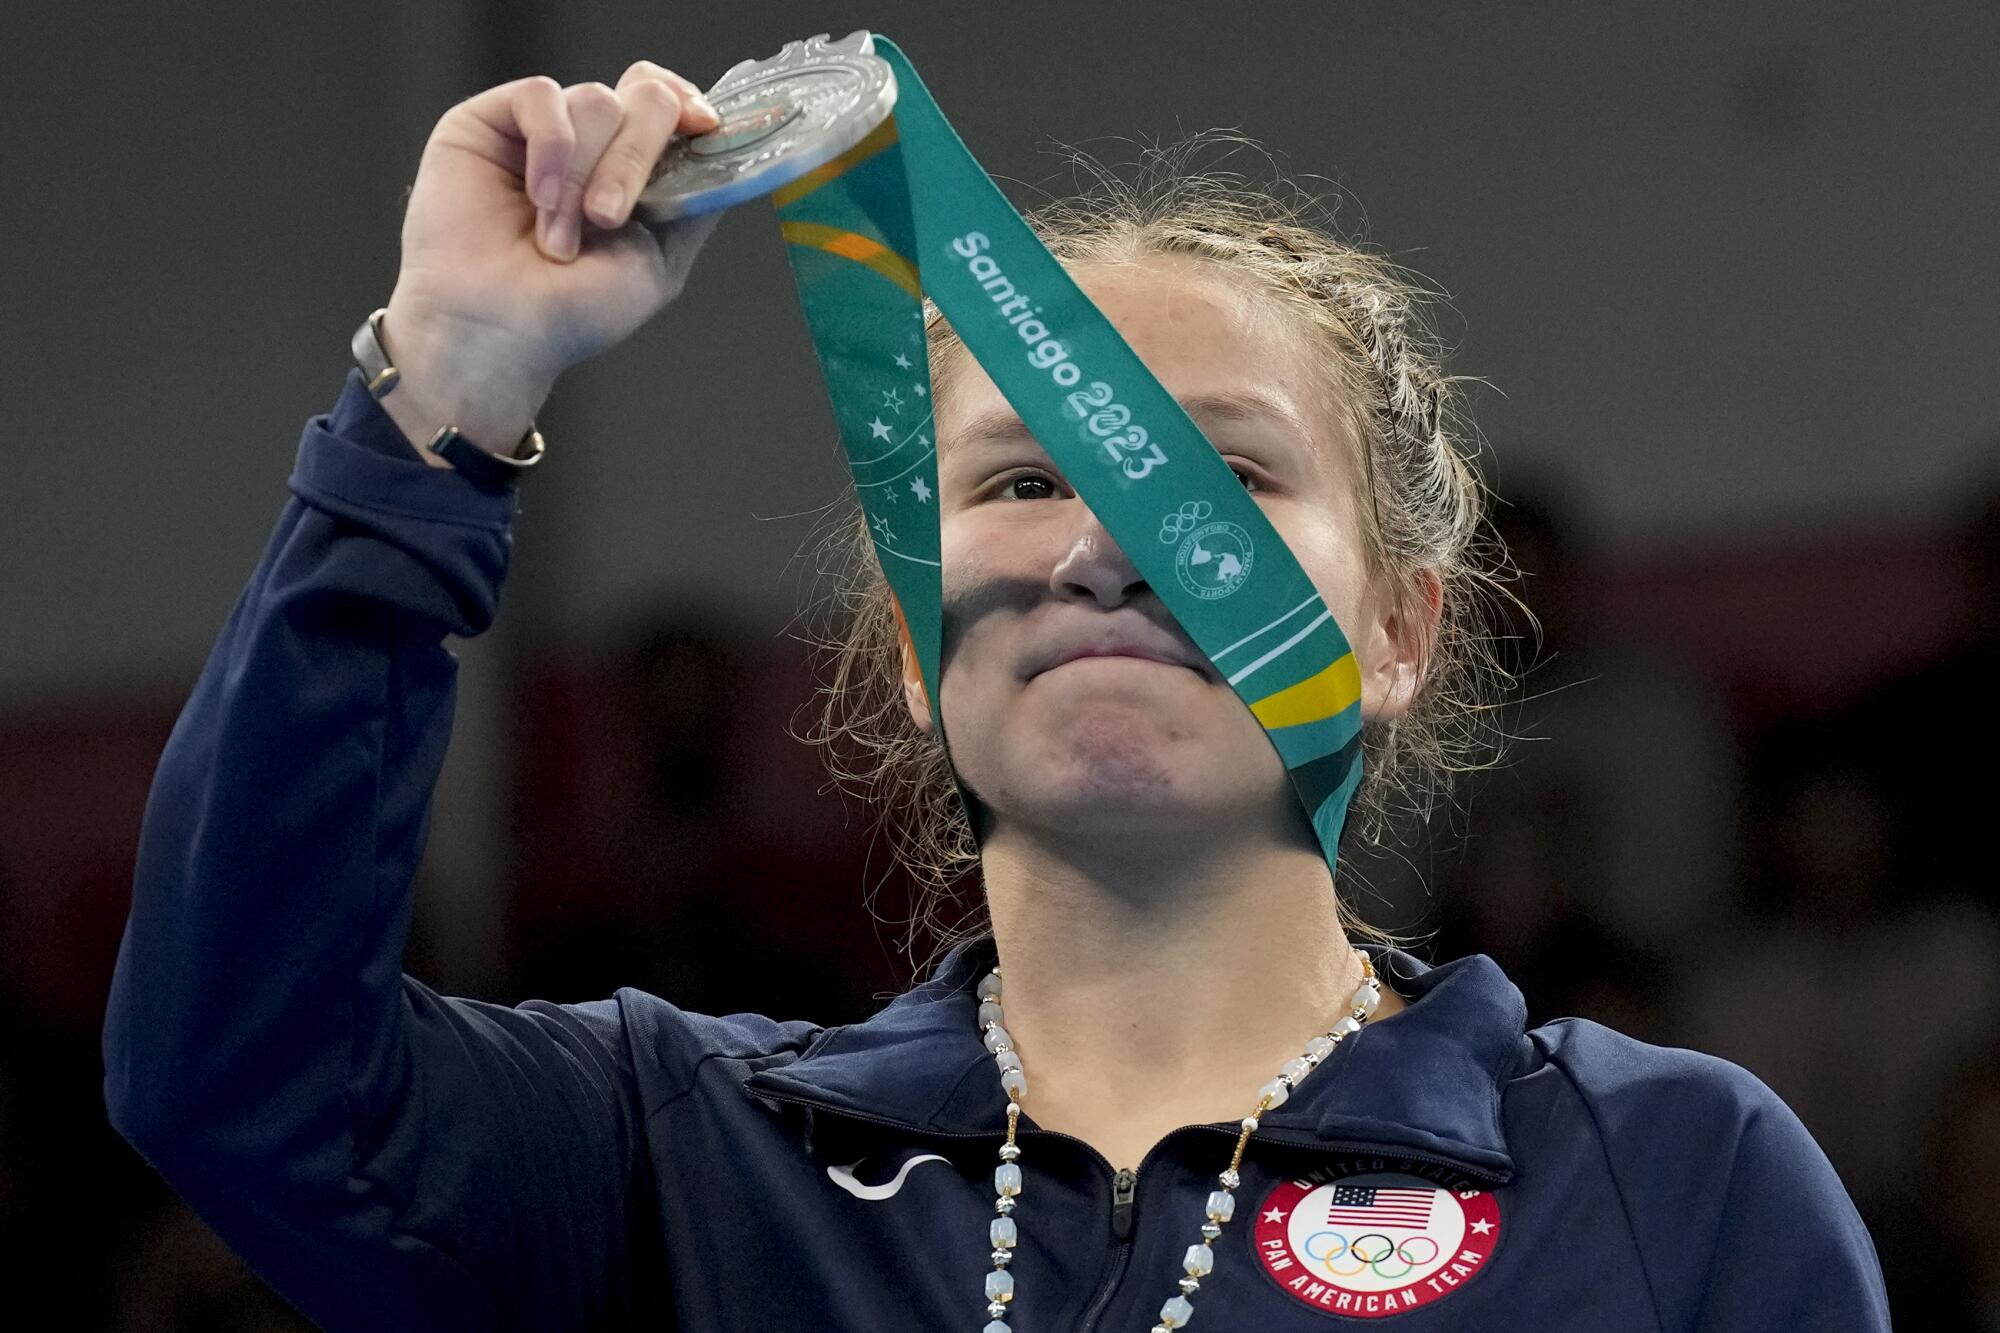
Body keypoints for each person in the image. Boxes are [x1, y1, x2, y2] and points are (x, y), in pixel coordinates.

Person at [102, 60, 1890, 1331]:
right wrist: (444, 393)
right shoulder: (681, 1161)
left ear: (1405, 627)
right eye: (1024, 485)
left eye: (1226, 485)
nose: (1111, 554)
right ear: (907, 639)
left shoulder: (1665, 1178)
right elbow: (234, 1070)